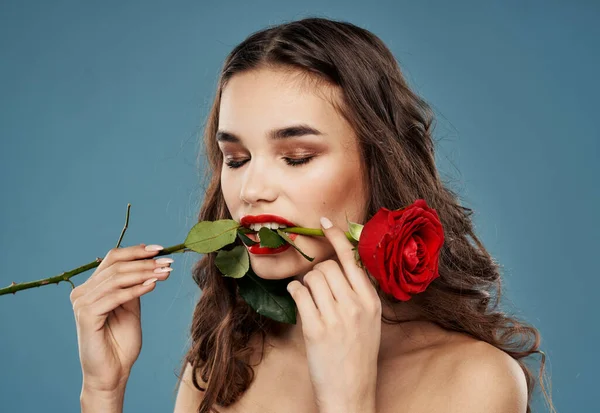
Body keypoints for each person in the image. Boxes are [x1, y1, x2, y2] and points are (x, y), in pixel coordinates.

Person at [71, 17, 555, 413]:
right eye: (236, 160)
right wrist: (102, 391)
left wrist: (348, 401)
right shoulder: (230, 359)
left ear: (377, 162)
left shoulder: (474, 381)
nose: (252, 191)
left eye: (297, 156)